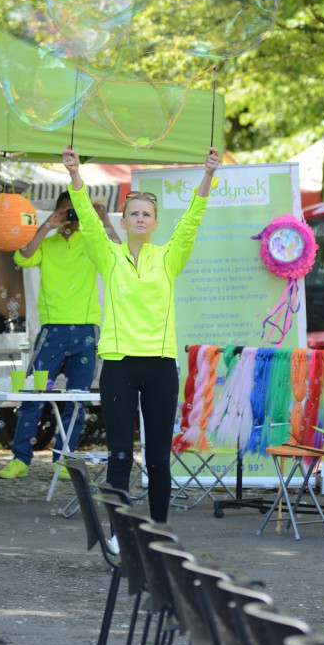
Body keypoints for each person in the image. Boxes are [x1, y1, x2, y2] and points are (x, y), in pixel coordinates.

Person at [62, 145, 221, 523]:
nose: (139, 218)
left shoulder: (169, 256)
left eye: (146, 214)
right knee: (119, 454)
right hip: (118, 364)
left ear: (154, 223)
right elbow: (86, 217)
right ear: (123, 220)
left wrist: (208, 174)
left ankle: (159, 536)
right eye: (133, 213)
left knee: (158, 460)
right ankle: (119, 536)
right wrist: (75, 175)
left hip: (161, 367)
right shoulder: (108, 255)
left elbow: (192, 220)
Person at [0, 190, 120, 481]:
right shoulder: (48, 243)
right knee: (32, 394)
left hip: (86, 330)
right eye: (68, 211)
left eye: (78, 211)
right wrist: (48, 225)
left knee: (76, 399)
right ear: (57, 211)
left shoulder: (92, 241)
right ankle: (21, 459)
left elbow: (119, 253)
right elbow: (24, 255)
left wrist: (103, 221)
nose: (72, 218)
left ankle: (64, 458)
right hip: (52, 329)